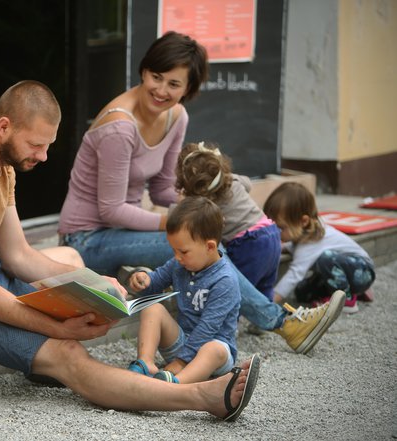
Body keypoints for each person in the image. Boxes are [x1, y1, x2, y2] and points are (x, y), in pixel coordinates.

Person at [0, 80, 260, 421]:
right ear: (4, 127)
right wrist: (57, 328)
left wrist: (93, 282)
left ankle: (56, 363)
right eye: (36, 145)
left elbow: (17, 255)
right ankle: (202, 396)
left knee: (80, 283)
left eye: (48, 145)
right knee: (66, 353)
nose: (44, 157)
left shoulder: (1, 162)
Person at [57, 31, 345, 355]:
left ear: (188, 89)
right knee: (197, 243)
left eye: (174, 84)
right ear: (143, 71)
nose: (161, 90)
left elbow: (163, 187)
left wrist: (209, 203)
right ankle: (283, 323)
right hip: (86, 238)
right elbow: (110, 209)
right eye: (156, 77)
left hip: (122, 231)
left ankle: (224, 323)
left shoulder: (176, 116)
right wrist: (173, 221)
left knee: (202, 238)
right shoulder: (120, 128)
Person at [127, 197, 240, 384]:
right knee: (152, 308)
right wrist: (143, 280)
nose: (177, 257)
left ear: (210, 247)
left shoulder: (225, 280)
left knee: (214, 349)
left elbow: (208, 327)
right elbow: (155, 283)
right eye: (174, 251)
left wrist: (181, 361)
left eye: (183, 252)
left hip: (211, 353)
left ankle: (177, 383)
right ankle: (146, 363)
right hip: (181, 341)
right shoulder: (180, 264)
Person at [176, 141, 281, 301]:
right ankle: (268, 322)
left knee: (234, 293)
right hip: (271, 233)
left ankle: (227, 324)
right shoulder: (232, 179)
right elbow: (248, 184)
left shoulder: (202, 205)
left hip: (248, 244)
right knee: (264, 288)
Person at [263, 182, 376, 314]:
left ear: (304, 221)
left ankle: (347, 302)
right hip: (347, 271)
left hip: (363, 271)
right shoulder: (305, 231)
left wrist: (269, 303)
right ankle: (351, 290)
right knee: (301, 293)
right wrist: (284, 247)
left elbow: (293, 275)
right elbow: (295, 245)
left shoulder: (311, 242)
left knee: (326, 258)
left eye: (281, 228)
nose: (276, 232)